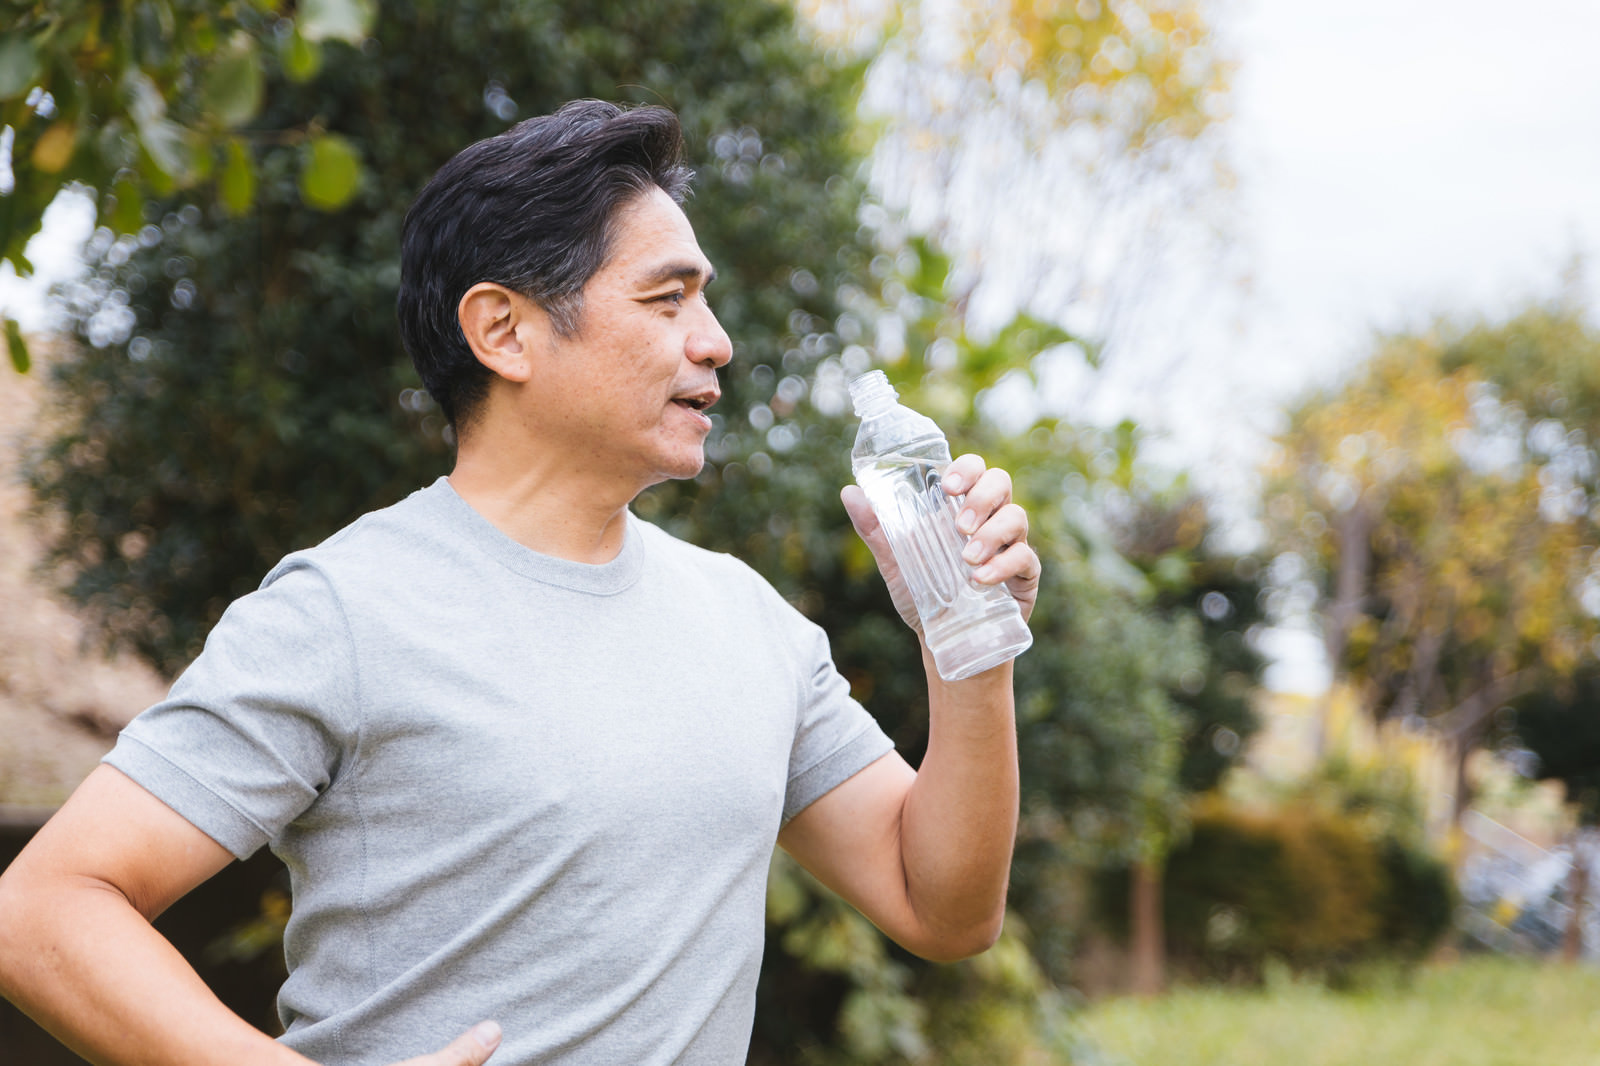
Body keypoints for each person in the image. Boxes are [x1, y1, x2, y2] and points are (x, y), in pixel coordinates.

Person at [0, 100, 1039, 1066]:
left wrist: (969, 642)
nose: (714, 341)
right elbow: (43, 910)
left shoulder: (748, 621)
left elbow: (941, 909)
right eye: (666, 297)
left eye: (706, 301)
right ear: (503, 330)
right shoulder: (346, 610)